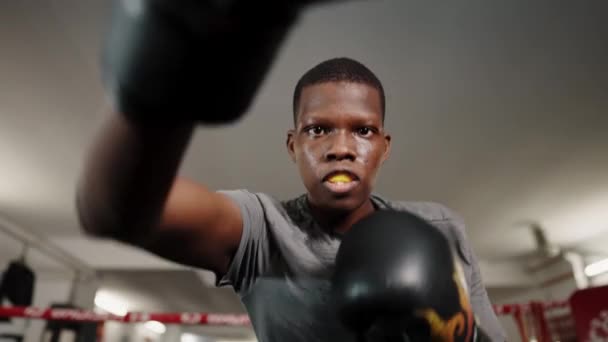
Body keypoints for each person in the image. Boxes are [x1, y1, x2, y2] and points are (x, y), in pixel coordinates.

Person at [77, 1, 506, 341]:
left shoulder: (439, 228)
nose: (341, 149)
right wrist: (166, 74)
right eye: (318, 130)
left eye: (363, 131)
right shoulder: (263, 233)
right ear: (293, 144)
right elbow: (116, 214)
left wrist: (456, 334)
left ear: (383, 146)